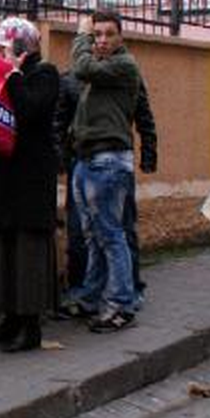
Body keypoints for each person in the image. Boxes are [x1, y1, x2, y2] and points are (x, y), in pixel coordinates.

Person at [0, 18, 60, 352]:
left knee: (26, 250)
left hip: (29, 179)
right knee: (2, 246)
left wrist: (15, 74)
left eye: (4, 49)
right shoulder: (1, 76)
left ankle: (30, 325)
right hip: (1, 177)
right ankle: (8, 318)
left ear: (23, 48)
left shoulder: (45, 74)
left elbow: (30, 111)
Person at [64, 11, 143, 332]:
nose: (102, 40)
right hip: (87, 159)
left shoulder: (124, 64)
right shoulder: (99, 68)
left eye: (109, 34)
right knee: (93, 236)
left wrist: (82, 35)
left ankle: (122, 305)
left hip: (109, 161)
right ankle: (91, 298)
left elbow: (81, 67)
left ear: (121, 37)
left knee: (110, 235)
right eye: (97, 34)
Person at [55, 70, 157, 304]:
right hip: (81, 160)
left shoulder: (127, 75)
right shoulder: (70, 79)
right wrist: (61, 158)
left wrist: (149, 155)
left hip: (117, 161)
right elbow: (58, 123)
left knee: (122, 228)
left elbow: (144, 117)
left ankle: (130, 288)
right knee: (80, 231)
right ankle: (83, 289)